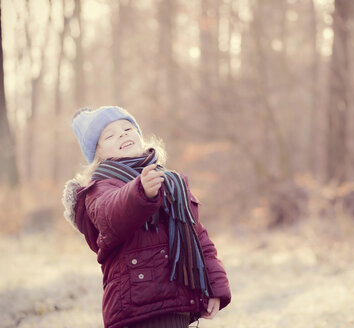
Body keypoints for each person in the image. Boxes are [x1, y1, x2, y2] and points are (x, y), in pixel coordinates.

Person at [61, 106, 231, 328]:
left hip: (177, 302)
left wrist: (215, 287)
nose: (122, 134)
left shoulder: (170, 182)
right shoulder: (99, 189)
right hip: (137, 308)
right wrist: (140, 192)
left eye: (127, 128)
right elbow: (110, 215)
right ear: (98, 154)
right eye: (110, 135)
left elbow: (199, 238)